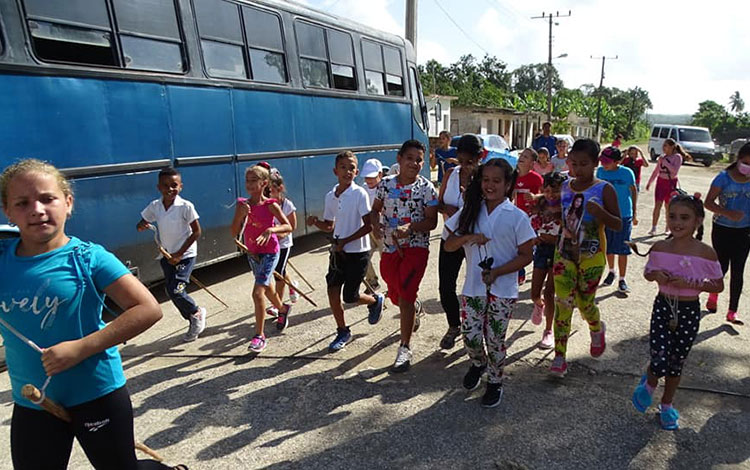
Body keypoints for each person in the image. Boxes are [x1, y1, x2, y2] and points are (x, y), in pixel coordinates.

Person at [0, 159, 183, 469]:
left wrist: (80, 348)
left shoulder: (89, 257)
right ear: (8, 211)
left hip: (96, 393)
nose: (36, 209)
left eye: (47, 198)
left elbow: (147, 309)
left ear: (68, 203)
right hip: (33, 400)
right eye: (22, 202)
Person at [444, 158, 536, 408]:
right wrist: (470, 237)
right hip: (474, 287)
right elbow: (448, 245)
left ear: (508, 185)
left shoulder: (517, 216)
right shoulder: (470, 210)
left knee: (495, 338)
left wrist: (498, 272)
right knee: (470, 335)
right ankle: (478, 363)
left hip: (503, 289)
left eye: (497, 181)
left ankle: (495, 380)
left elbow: (527, 255)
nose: (490, 185)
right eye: (486, 180)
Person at [630, 195, 723, 430]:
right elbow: (648, 272)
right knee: (659, 355)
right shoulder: (660, 247)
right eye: (672, 216)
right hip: (663, 305)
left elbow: (718, 285)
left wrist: (693, 283)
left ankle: (667, 404)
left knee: (676, 362)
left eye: (684, 217)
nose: (677, 222)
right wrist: (656, 276)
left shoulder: (706, 253)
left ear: (698, 221)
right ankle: (650, 383)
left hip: (689, 310)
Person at [551, 139, 622, 377]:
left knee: (584, 302)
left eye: (584, 164)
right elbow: (561, 218)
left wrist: (600, 213)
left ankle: (595, 327)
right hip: (563, 254)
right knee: (563, 303)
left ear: (595, 163)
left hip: (592, 257)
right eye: (574, 163)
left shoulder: (604, 189)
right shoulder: (564, 187)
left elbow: (617, 223)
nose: (578, 169)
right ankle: (559, 357)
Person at [371, 140, 438, 372]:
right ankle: (415, 308)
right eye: (409, 158)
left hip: (416, 248)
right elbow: (375, 210)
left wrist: (410, 228)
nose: (414, 163)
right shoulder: (385, 184)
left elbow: (432, 221)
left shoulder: (428, 188)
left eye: (419, 159)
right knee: (395, 293)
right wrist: (375, 226)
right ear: (399, 159)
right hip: (389, 247)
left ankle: (405, 347)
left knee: (406, 296)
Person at [307, 151, 385, 352]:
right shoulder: (330, 196)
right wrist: (316, 222)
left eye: (351, 168)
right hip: (337, 253)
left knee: (350, 296)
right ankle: (342, 330)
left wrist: (346, 241)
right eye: (343, 167)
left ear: (357, 171)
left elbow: (368, 226)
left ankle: (375, 300)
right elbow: (330, 225)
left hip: (358, 253)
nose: (347, 171)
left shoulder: (358, 194)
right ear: (335, 171)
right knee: (332, 290)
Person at [136, 168, 205, 342]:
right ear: (159, 187)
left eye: (174, 185)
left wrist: (180, 254)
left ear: (181, 186)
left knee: (176, 290)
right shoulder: (155, 206)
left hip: (185, 255)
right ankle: (192, 318)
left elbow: (196, 232)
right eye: (165, 185)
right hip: (166, 255)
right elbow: (143, 221)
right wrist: (142, 225)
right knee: (170, 291)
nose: (170, 189)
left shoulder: (185, 206)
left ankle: (195, 313)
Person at [230, 163, 293, 352]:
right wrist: (239, 217)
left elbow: (288, 226)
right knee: (268, 290)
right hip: (252, 253)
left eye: (254, 180)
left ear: (264, 183)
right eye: (247, 181)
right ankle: (282, 309)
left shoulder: (270, 205)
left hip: (269, 252)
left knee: (258, 292)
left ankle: (259, 336)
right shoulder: (243, 204)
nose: (249, 184)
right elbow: (234, 233)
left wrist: (270, 230)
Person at [437, 134, 482, 350]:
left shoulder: (486, 179)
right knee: (445, 286)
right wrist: (448, 209)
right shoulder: (450, 174)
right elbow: (439, 203)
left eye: (469, 162)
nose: (464, 167)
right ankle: (454, 325)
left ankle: (477, 330)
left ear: (479, 157)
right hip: (451, 237)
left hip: (476, 241)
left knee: (476, 286)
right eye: (461, 161)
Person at [704, 142, 750, 324]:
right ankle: (713, 295)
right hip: (722, 229)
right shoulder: (723, 178)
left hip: (745, 231)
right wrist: (727, 213)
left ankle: (733, 311)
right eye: (747, 163)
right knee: (721, 267)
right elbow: (708, 203)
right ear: (739, 160)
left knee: (738, 271)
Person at [529, 172, 566, 349]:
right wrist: (534, 237)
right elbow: (532, 222)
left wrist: (557, 241)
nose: (551, 194)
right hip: (542, 250)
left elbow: (572, 233)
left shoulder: (567, 207)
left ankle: (548, 330)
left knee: (549, 292)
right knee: (535, 294)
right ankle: (539, 305)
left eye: (556, 190)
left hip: (559, 252)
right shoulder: (540, 203)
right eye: (548, 190)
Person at [597, 146, 638, 293]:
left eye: (607, 161)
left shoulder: (627, 173)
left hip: (623, 214)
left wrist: (634, 212)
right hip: (606, 214)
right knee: (607, 246)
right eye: (602, 161)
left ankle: (622, 278)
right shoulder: (600, 172)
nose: (603, 164)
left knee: (623, 248)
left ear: (616, 161)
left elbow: (633, 191)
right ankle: (611, 271)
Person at [267, 169, 299, 323]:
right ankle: (291, 284)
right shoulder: (266, 205)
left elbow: (292, 226)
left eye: (270, 189)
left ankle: (277, 304)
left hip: (284, 244)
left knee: (278, 272)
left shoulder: (287, 205)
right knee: (278, 271)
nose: (267, 192)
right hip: (269, 245)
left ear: (279, 189)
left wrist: (279, 235)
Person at [513, 147, 543, 285]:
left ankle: (540, 270)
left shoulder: (536, 178)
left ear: (532, 163)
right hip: (516, 217)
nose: (522, 157)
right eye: (521, 155)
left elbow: (546, 194)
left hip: (532, 218)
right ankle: (520, 273)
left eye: (526, 156)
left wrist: (535, 196)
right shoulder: (513, 176)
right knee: (515, 246)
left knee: (532, 247)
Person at [646, 138, 689, 235]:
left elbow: (674, 171)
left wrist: (665, 162)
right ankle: (654, 227)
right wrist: (650, 182)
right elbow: (656, 171)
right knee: (657, 205)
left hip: (671, 183)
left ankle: (668, 227)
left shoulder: (677, 157)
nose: (663, 148)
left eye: (666, 145)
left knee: (669, 206)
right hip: (660, 182)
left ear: (672, 147)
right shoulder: (662, 157)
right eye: (663, 145)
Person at [361, 158, 385, 293]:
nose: (368, 180)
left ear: (380, 175)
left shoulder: (386, 188)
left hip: (383, 230)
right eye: (366, 177)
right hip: (367, 229)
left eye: (372, 177)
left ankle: (394, 285)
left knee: (387, 260)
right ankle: (372, 281)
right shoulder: (363, 189)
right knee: (363, 257)